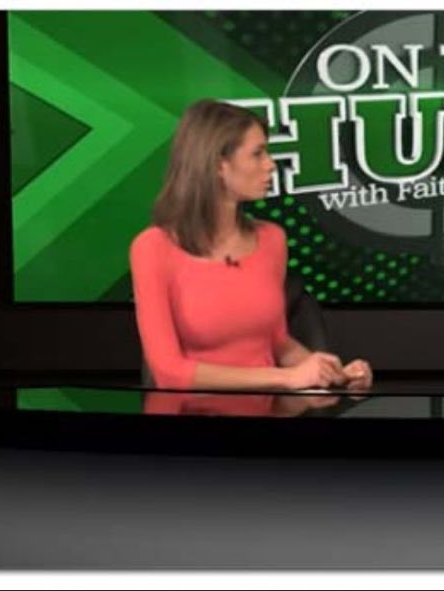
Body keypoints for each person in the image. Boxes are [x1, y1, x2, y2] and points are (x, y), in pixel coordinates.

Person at [130, 99, 372, 416]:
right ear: (218, 165)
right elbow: (168, 372)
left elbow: (277, 341)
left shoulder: (272, 239)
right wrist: (287, 378)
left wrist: (334, 375)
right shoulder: (153, 248)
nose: (270, 165)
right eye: (258, 153)